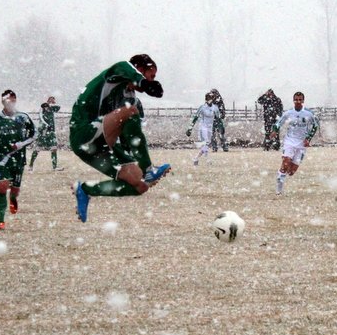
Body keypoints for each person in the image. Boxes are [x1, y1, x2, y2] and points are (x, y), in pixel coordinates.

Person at [69, 54, 171, 223]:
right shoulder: (116, 75)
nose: (153, 80)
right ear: (139, 68)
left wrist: (130, 160)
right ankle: (148, 169)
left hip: (100, 146)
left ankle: (86, 190)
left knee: (140, 186)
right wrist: (145, 84)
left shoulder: (132, 99)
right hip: (83, 134)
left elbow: (131, 138)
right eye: (151, 75)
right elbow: (125, 68)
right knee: (130, 110)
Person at [0, 90, 36, 230]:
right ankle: (1, 220)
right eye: (6, 100)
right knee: (2, 186)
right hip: (1, 157)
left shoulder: (23, 117)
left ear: (15, 100)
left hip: (18, 157)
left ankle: (13, 198)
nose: (9, 102)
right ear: (2, 101)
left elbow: (34, 134)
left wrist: (20, 144)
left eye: (12, 100)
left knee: (15, 190)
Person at [269, 91, 319, 195]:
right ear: (293, 100)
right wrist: (274, 131)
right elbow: (279, 123)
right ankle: (279, 189)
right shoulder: (288, 113)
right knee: (285, 163)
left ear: (303, 101)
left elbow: (315, 126)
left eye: (300, 99)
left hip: (301, 144)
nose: (298, 101)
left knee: (291, 172)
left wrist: (308, 138)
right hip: (289, 141)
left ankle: (282, 174)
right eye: (296, 99)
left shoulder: (309, 113)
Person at [28, 96, 63, 172]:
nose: (46, 107)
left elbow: (59, 107)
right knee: (37, 149)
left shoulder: (52, 109)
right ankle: (30, 166)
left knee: (54, 148)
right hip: (43, 133)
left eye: (53, 100)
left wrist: (52, 103)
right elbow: (41, 120)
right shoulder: (42, 110)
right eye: (50, 100)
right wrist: (45, 126)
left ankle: (55, 167)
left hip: (51, 133)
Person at [186, 92, 221, 165]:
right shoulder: (202, 107)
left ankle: (195, 158)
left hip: (209, 128)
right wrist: (190, 128)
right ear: (206, 99)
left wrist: (221, 127)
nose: (210, 100)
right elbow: (195, 118)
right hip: (203, 127)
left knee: (206, 144)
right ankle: (208, 160)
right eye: (209, 98)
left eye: (212, 98)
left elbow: (218, 118)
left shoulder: (215, 108)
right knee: (206, 143)